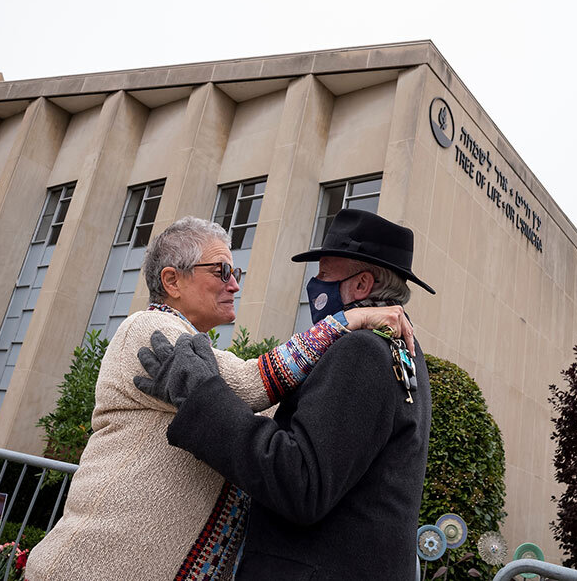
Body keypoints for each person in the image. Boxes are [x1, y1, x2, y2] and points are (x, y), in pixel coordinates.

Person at [25, 216, 412, 581]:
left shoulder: (196, 348)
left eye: (236, 273)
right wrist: (347, 322)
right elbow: (249, 385)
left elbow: (256, 422)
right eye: (221, 271)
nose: (234, 285)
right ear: (172, 281)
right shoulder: (147, 331)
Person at [139, 209, 434, 580]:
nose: (315, 285)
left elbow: (301, 482)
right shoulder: (400, 353)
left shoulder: (363, 351)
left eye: (325, 275)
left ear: (361, 286)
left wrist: (202, 396)